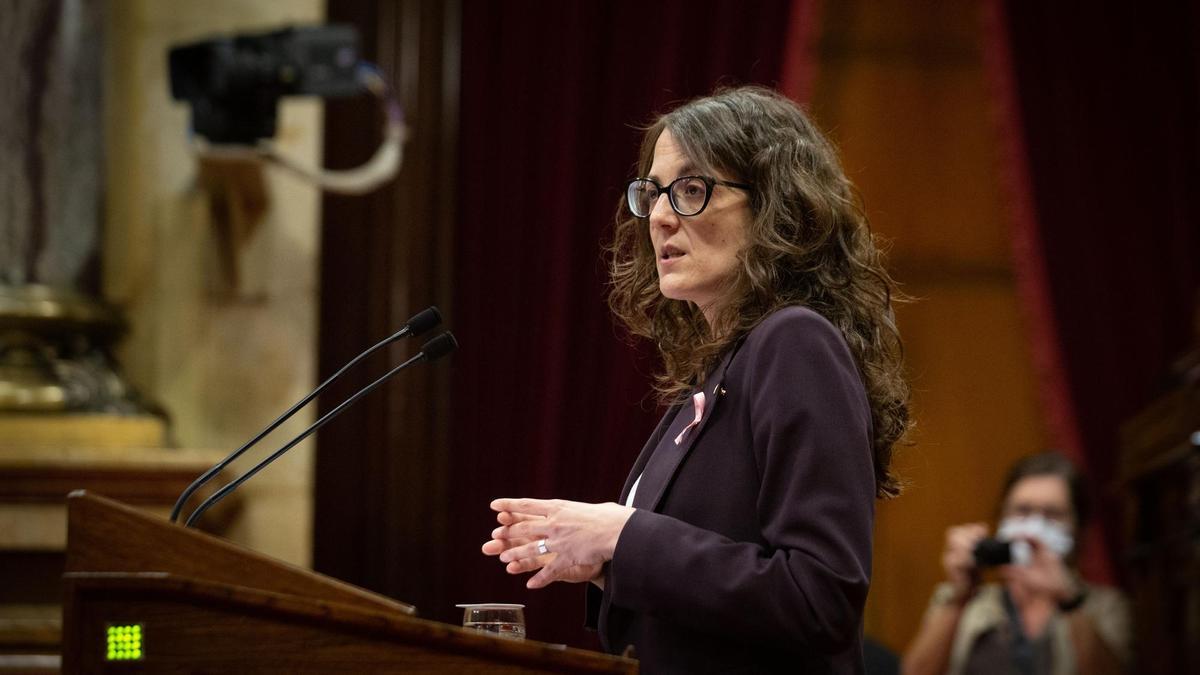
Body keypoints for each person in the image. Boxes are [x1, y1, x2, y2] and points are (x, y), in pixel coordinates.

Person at [481, 85, 910, 673]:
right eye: (653, 193)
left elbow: (821, 597)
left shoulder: (795, 344)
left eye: (690, 190)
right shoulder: (722, 370)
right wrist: (606, 560)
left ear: (776, 206)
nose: (658, 216)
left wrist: (623, 537)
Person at [902, 452, 1132, 675]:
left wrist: (1068, 600)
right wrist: (959, 597)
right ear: (1002, 517)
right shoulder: (966, 602)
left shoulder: (1105, 607)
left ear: (1079, 529)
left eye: (1053, 514)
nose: (1034, 527)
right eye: (1022, 510)